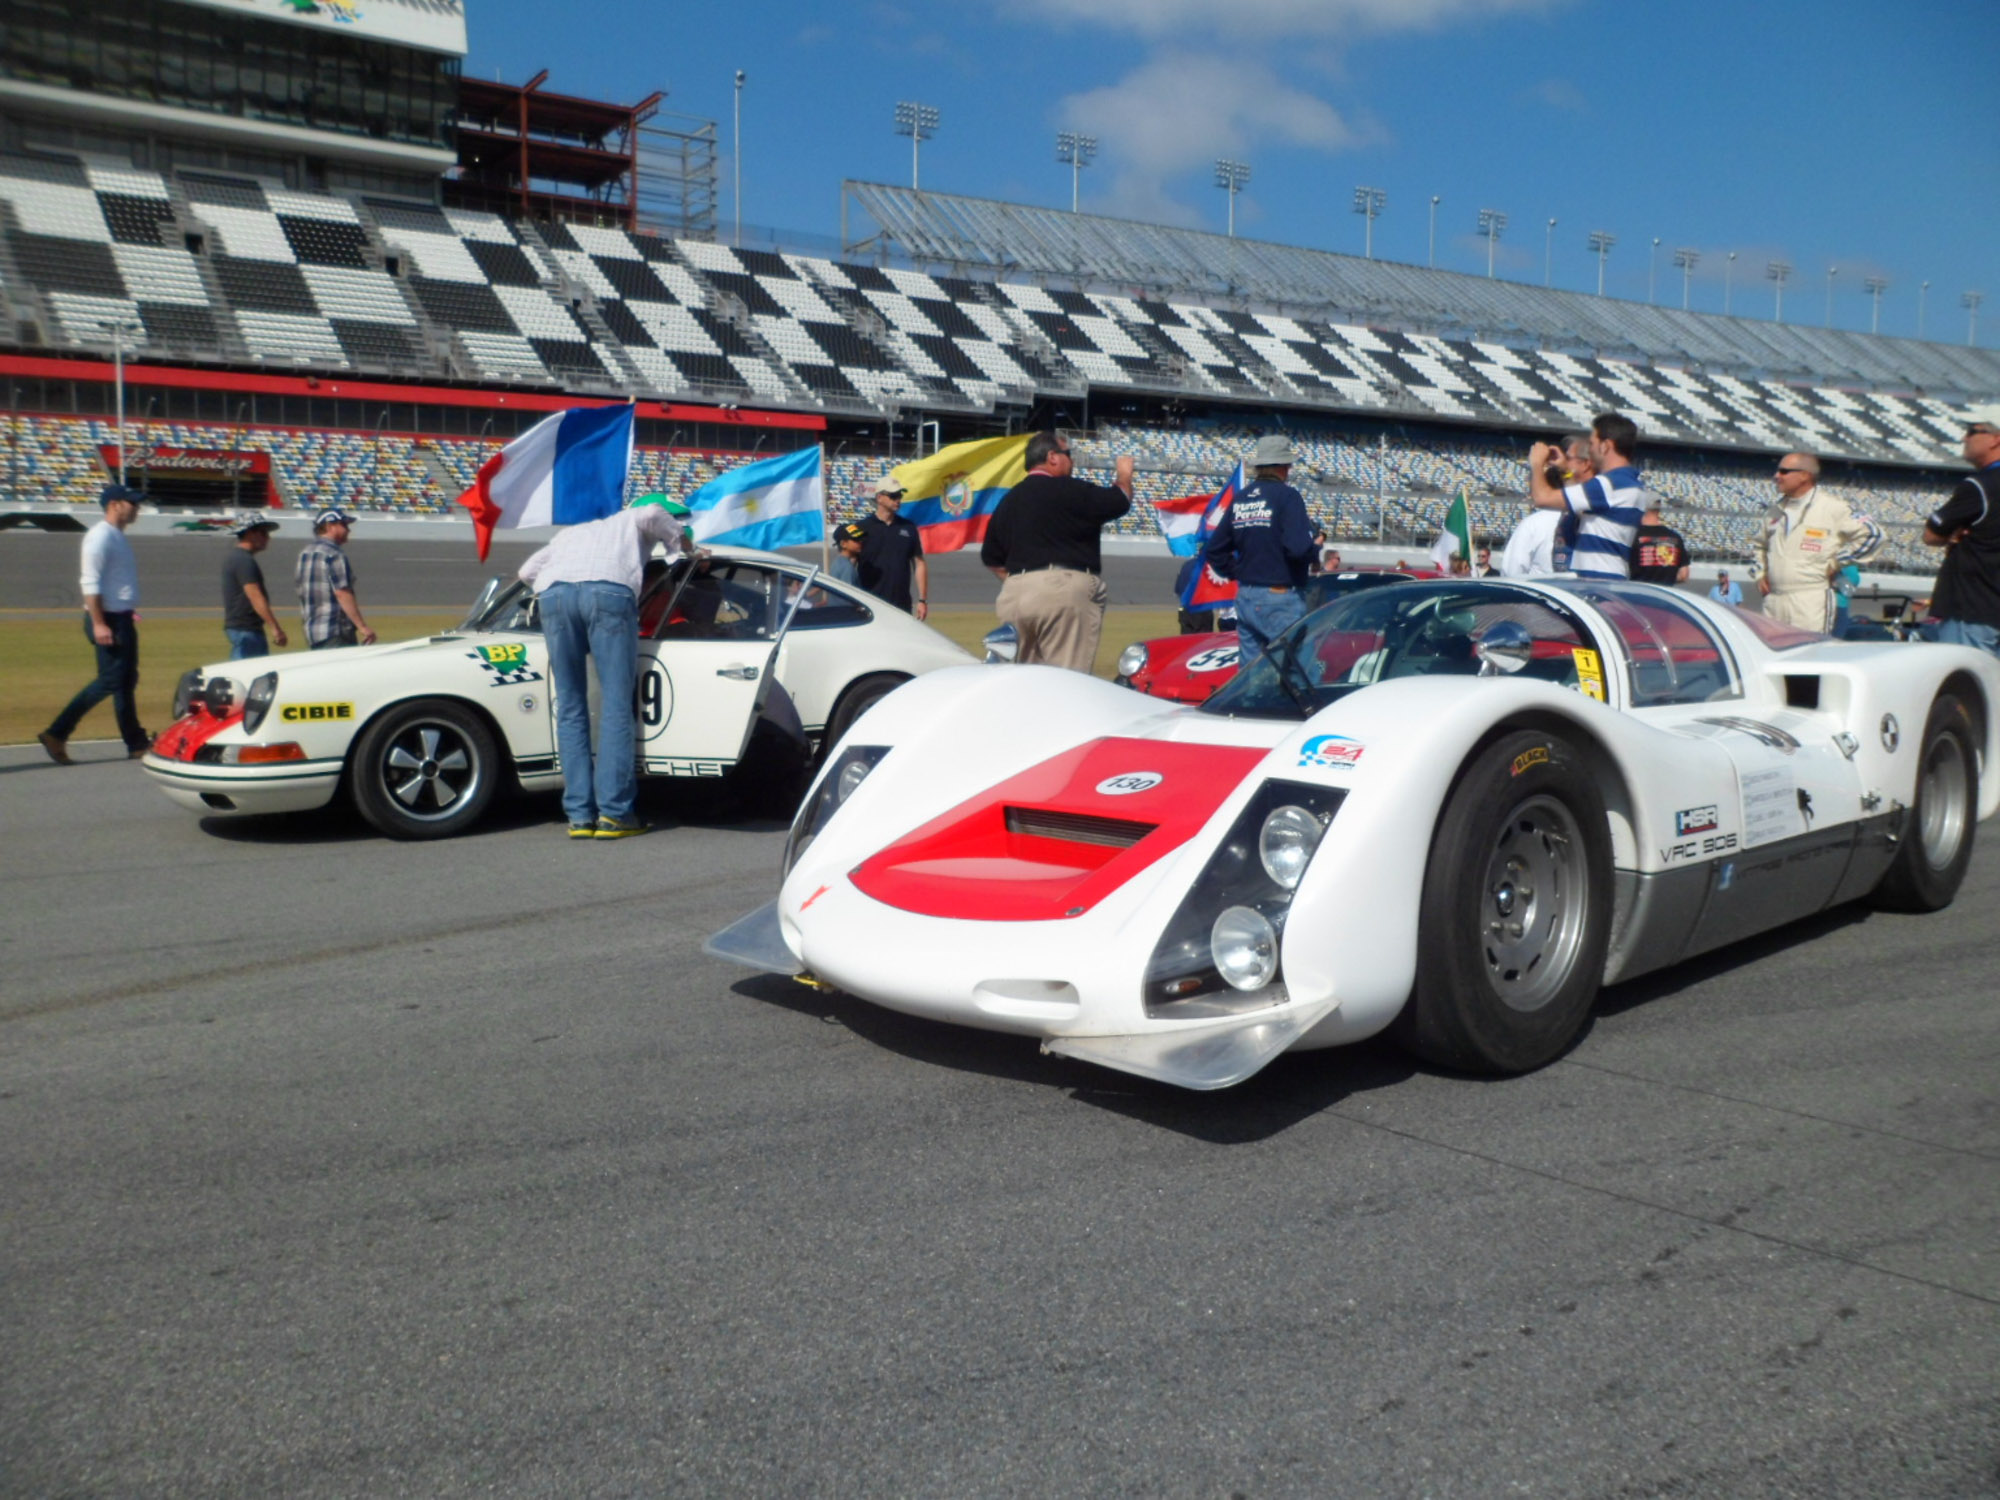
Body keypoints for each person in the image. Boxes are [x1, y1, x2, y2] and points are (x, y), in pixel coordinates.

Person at [519, 494, 697, 839]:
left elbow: (526, 572)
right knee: (616, 703)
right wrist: (683, 541)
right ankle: (615, 813)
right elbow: (650, 512)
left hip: (554, 597)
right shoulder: (632, 518)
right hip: (609, 594)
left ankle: (579, 816)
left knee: (570, 707)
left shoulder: (574, 532)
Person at [980, 432, 1134, 671]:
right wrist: (1124, 473)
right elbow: (1119, 500)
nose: (1071, 462)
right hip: (1060, 588)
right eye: (1069, 455)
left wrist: (1024, 581)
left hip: (1016, 593)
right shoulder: (1069, 489)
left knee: (1023, 680)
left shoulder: (1009, 500)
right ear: (1052, 457)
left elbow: (991, 557)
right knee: (1066, 680)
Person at [39, 482, 151, 764]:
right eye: (132, 504)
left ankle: (136, 743)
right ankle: (57, 733)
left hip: (119, 616)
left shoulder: (116, 536)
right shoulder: (99, 537)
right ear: (114, 504)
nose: (137, 509)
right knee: (111, 680)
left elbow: (114, 584)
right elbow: (90, 582)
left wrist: (126, 610)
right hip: (108, 619)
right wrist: (100, 622)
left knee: (125, 681)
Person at [1201, 433, 1317, 671]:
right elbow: (1297, 548)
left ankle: (1248, 708)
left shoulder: (1241, 498)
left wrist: (1240, 571)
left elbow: (1214, 549)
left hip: (1246, 595)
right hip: (1280, 595)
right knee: (1301, 671)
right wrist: (1312, 549)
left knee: (1251, 673)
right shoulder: (1287, 496)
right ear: (1285, 467)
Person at [1752, 452, 1884, 632]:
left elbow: (1875, 535)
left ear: (1804, 475)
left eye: (1784, 471)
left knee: (1810, 655)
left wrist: (1837, 562)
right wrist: (1760, 573)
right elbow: (1759, 545)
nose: (1776, 476)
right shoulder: (1774, 511)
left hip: (1811, 599)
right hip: (1774, 600)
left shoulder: (1833, 507)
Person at [1525, 413, 1646, 579]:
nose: (1590, 449)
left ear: (1605, 446)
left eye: (1592, 443)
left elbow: (1541, 498)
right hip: (1611, 577)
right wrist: (1566, 469)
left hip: (1598, 582)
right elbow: (1584, 500)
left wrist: (1536, 463)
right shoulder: (1629, 484)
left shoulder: (1609, 485)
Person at [1920, 419, 2000, 658]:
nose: (1965, 438)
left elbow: (1932, 535)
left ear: (1996, 439)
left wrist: (1952, 535)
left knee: (1968, 686)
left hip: (1973, 608)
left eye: (1973, 432)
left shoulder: (1979, 486)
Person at [1499, 434, 1590, 576]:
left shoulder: (1535, 523)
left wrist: (1537, 464)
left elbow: (1511, 572)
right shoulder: (1592, 515)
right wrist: (1567, 471)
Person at [295, 507, 376, 649]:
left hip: (313, 632)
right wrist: (362, 627)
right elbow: (342, 593)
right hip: (335, 631)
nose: (348, 530)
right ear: (330, 526)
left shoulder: (305, 554)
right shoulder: (333, 554)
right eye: (344, 525)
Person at [854, 474, 928, 619]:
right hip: (870, 603)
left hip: (901, 604)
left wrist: (922, 600)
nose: (898, 500)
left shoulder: (909, 527)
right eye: (893, 496)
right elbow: (850, 563)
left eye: (899, 495)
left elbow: (919, 564)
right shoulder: (861, 528)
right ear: (879, 498)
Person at [221, 515, 288, 658]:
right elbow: (255, 596)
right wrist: (275, 628)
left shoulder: (239, 558)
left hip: (246, 628)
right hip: (245, 629)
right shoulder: (243, 560)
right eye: (263, 533)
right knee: (246, 675)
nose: (267, 538)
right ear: (249, 533)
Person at [1630, 502, 1691, 587]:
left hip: (1638, 592)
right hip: (1663, 594)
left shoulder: (1632, 535)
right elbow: (1683, 575)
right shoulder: (1675, 537)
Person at [829, 521, 866, 587]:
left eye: (861, 539)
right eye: (856, 539)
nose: (861, 541)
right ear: (843, 544)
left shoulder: (838, 562)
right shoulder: (847, 568)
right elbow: (848, 594)